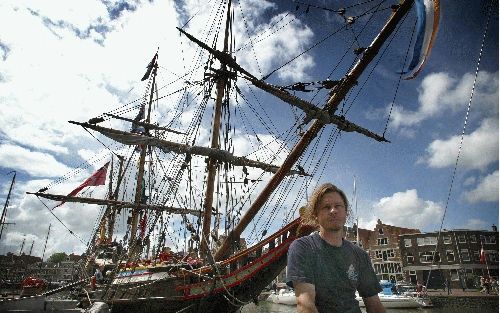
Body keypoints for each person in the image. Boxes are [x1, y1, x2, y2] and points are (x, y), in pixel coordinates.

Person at [286, 183, 385, 313]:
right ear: (316, 214)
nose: (333, 210)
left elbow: (374, 304)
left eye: (338, 206)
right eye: (326, 207)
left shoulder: (359, 254)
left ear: (345, 212)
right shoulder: (303, 248)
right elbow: (306, 306)